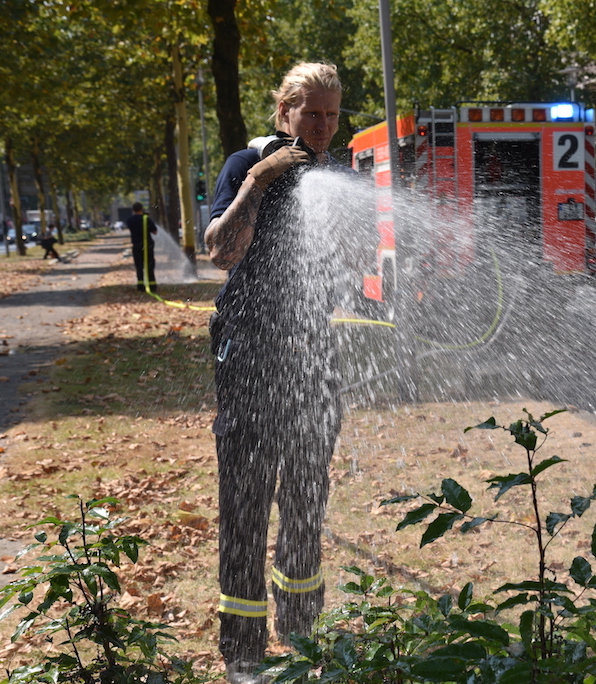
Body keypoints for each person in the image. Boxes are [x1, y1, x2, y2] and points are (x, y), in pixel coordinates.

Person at [204, 62, 347, 684]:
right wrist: (260, 181)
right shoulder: (246, 165)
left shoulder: (332, 176)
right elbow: (220, 250)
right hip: (250, 356)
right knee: (245, 503)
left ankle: (302, 631)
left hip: (314, 355)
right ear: (285, 111)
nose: (322, 127)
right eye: (311, 113)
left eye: (332, 115)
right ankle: (243, 653)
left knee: (306, 502)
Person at [125, 203, 158, 291]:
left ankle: (140, 286)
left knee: (139, 266)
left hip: (136, 246)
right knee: (149, 266)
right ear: (142, 209)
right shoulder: (146, 219)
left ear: (133, 210)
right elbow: (155, 232)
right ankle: (152, 286)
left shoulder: (130, 220)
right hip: (147, 246)